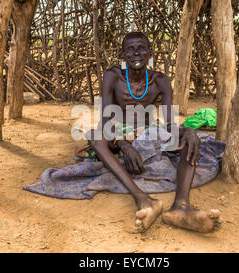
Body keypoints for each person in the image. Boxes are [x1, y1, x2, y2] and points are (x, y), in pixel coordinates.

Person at [88, 32, 221, 233]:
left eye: (141, 48)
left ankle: (181, 207)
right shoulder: (113, 76)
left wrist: (187, 130)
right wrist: (121, 144)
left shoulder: (160, 80)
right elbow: (105, 121)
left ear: (150, 53)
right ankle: (144, 200)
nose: (136, 54)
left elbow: (169, 125)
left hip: (149, 133)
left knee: (190, 138)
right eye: (130, 49)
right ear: (123, 55)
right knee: (95, 137)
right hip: (117, 132)